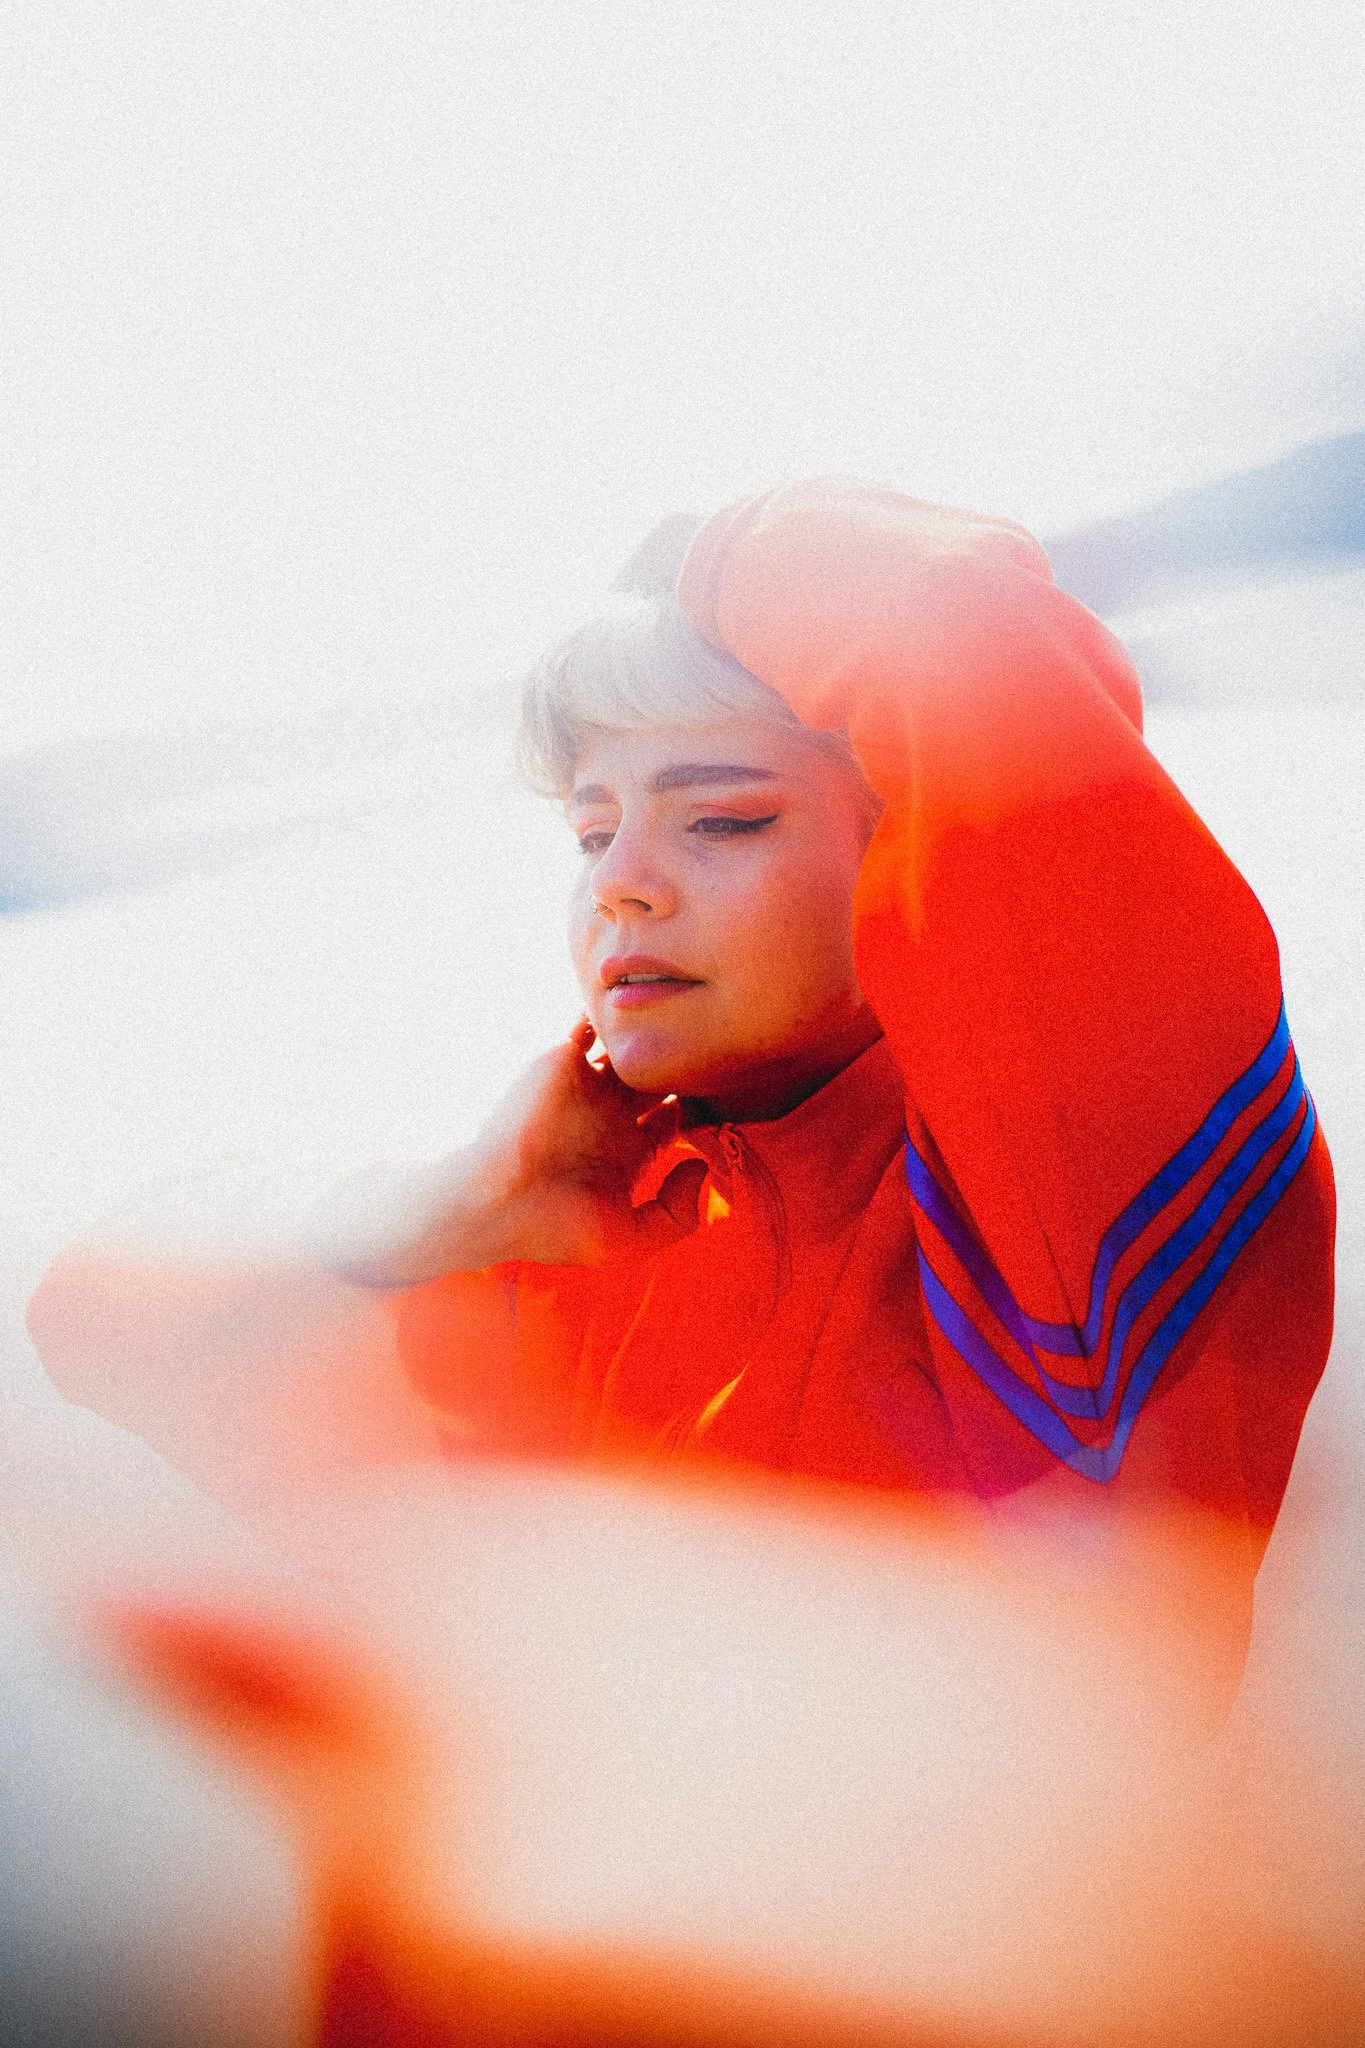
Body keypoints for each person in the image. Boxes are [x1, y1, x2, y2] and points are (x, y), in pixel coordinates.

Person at [29, 479, 1334, 1673]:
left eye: (724, 818)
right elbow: (91, 1324)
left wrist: (712, 551)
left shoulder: (1059, 1217)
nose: (622, 883)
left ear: (910, 861)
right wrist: (435, 1212)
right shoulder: (582, 1233)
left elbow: (956, 630)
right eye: (593, 830)